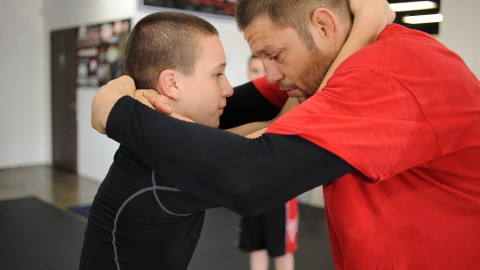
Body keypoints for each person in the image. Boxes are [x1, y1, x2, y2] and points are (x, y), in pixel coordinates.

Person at [94, 1, 479, 269]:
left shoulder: (393, 73)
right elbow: (221, 116)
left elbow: (250, 179)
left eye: (274, 55)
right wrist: (137, 90)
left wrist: (116, 109)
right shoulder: (314, 70)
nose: (271, 75)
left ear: (324, 26)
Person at [79, 11, 232, 270]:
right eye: (217, 74)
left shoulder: (156, 142)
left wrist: (120, 87)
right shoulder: (171, 159)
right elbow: (261, 153)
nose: (228, 88)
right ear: (172, 83)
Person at [234, 54, 299, 270]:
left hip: (280, 192)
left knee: (282, 250)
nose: (260, 76)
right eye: (254, 71)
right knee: (256, 246)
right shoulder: (244, 108)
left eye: (263, 72)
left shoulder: (288, 99)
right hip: (253, 189)